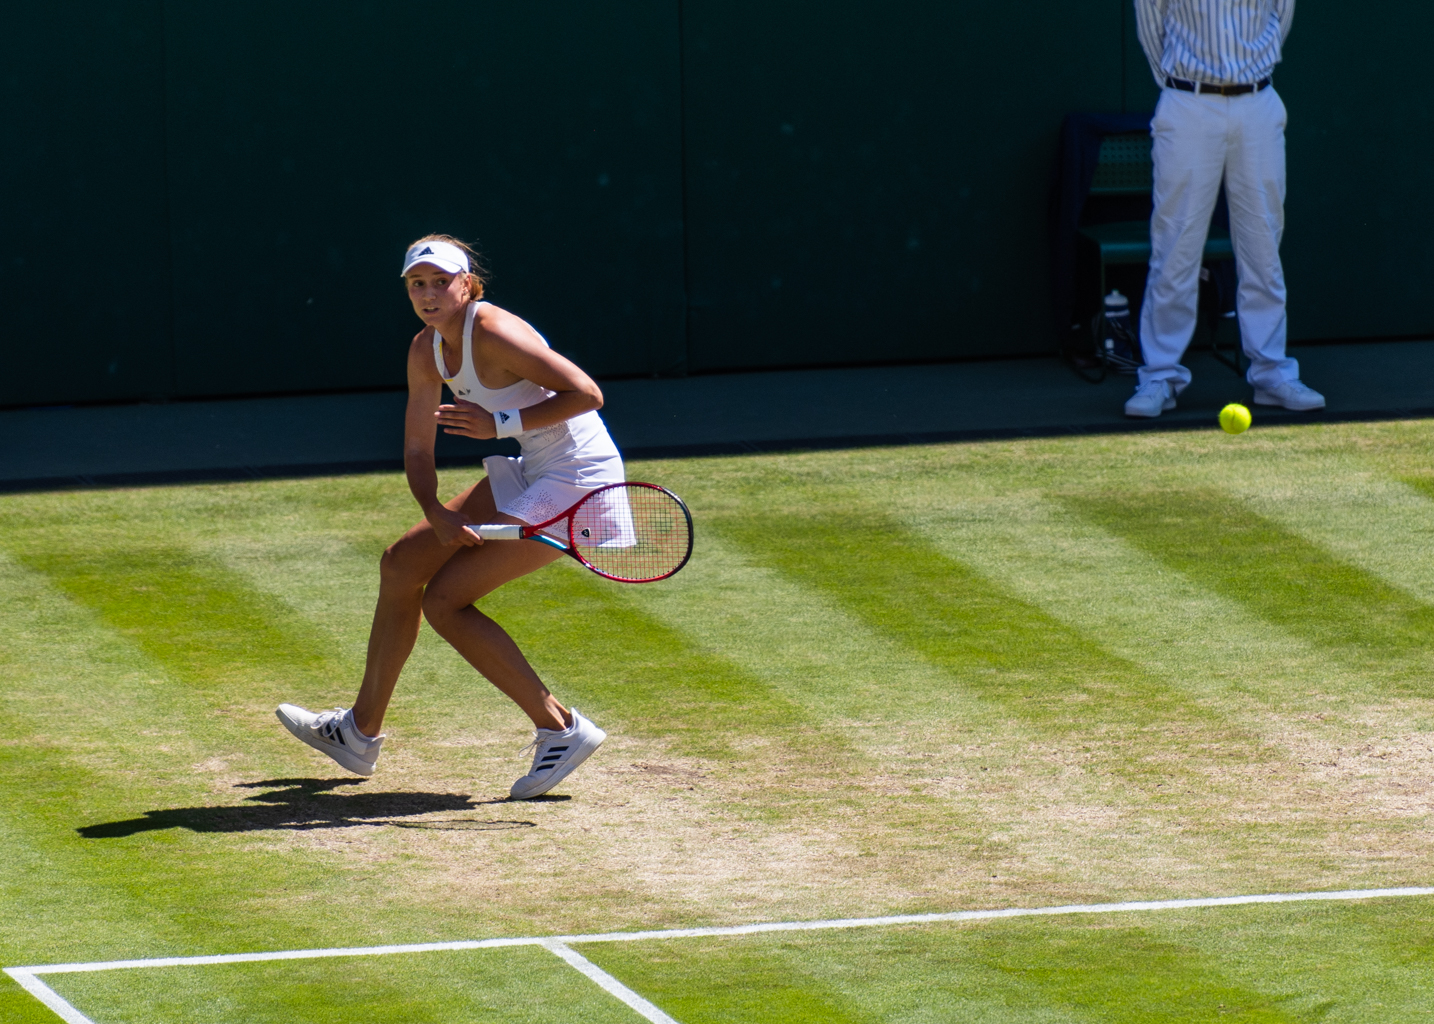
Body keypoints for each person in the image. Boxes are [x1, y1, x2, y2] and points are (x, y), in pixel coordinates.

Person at [276, 235, 621, 798]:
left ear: (468, 285)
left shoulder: (494, 331)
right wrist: (433, 510)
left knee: (444, 601)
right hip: (533, 467)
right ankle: (359, 733)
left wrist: (499, 422)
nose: (429, 293)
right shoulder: (424, 349)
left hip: (579, 480)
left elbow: (586, 393)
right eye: (418, 283)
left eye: (442, 281)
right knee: (401, 562)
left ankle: (561, 729)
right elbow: (418, 449)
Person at [1126, 0, 1325, 418]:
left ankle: (1272, 371)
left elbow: (1280, 18)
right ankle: (1160, 374)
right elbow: (1150, 29)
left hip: (1257, 102)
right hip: (1187, 102)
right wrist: (1183, 83)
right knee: (1175, 247)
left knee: (1262, 246)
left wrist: (1249, 72)